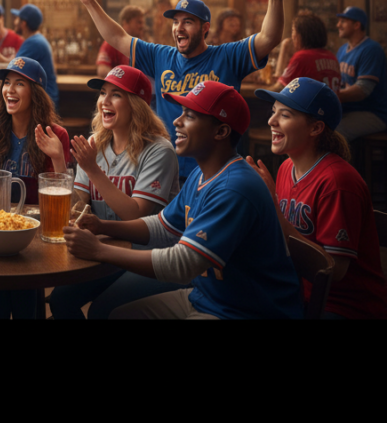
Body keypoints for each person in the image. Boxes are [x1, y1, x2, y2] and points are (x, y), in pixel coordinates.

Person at [63, 80, 303, 319]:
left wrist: (99, 250)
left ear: (221, 132)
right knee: (111, 315)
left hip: (247, 311)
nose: (177, 121)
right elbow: (163, 226)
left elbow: (183, 263)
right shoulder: (203, 173)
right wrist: (103, 226)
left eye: (190, 116)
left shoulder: (235, 188)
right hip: (207, 298)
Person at [75, 0, 285, 181]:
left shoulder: (227, 56)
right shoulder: (161, 56)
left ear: (205, 28)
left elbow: (269, 37)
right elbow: (118, 37)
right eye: (175, 22)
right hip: (166, 167)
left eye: (188, 22)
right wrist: (90, 3)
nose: (178, 28)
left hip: (214, 171)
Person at [50, 65, 183, 319]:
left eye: (116, 94)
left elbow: (136, 214)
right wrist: (59, 161)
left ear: (137, 104)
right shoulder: (96, 144)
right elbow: (78, 207)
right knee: (60, 300)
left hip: (153, 255)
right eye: (102, 93)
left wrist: (93, 170)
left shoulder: (159, 150)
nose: (104, 101)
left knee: (103, 310)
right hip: (107, 249)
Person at [249, 77, 387, 318]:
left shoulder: (338, 182)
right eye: (274, 112)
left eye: (285, 115)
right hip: (297, 292)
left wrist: (273, 209)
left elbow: (333, 271)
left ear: (315, 128)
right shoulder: (285, 168)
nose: (271, 121)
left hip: (344, 307)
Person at [0, 55, 70, 319]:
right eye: (6, 82)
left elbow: (62, 197)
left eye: (19, 84)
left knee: (24, 293)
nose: (9, 89)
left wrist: (58, 158)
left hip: (35, 231)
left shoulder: (56, 134)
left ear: (35, 93)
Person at [334, 6, 387, 142]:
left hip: (374, 112)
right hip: (350, 109)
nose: (338, 25)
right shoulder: (342, 50)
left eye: (343, 21)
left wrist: (330, 96)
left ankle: (342, 164)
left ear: (357, 25)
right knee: (318, 124)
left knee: (334, 132)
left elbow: (362, 90)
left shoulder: (371, 49)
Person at [267, 11, 339, 93]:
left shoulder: (303, 57)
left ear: (302, 34)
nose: (292, 36)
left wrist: (256, 92)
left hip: (310, 106)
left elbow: (280, 89)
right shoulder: (332, 56)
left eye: (293, 31)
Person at [9, 3, 59, 107]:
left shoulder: (33, 43)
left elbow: (11, 71)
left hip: (40, 103)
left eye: (17, 19)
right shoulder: (37, 39)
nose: (15, 22)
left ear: (23, 23)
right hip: (42, 99)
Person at [95, 6, 146, 76]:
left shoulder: (140, 45)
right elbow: (102, 70)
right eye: (139, 22)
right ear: (126, 23)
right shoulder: (111, 43)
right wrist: (124, 79)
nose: (142, 26)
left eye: (142, 23)